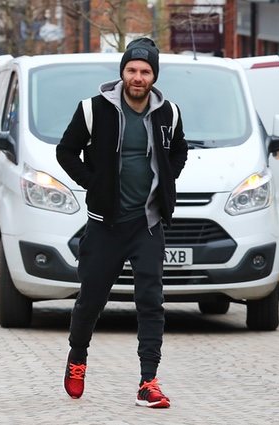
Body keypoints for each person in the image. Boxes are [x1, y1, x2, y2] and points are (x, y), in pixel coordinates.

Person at [55, 37, 188, 408]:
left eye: (145, 71)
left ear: (154, 76)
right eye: (132, 70)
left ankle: (149, 380)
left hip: (147, 225)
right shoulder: (93, 109)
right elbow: (65, 150)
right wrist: (92, 182)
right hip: (105, 225)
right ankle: (77, 357)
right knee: (91, 301)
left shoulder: (169, 113)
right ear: (122, 73)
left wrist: (167, 182)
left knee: (151, 302)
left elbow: (179, 149)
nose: (138, 77)